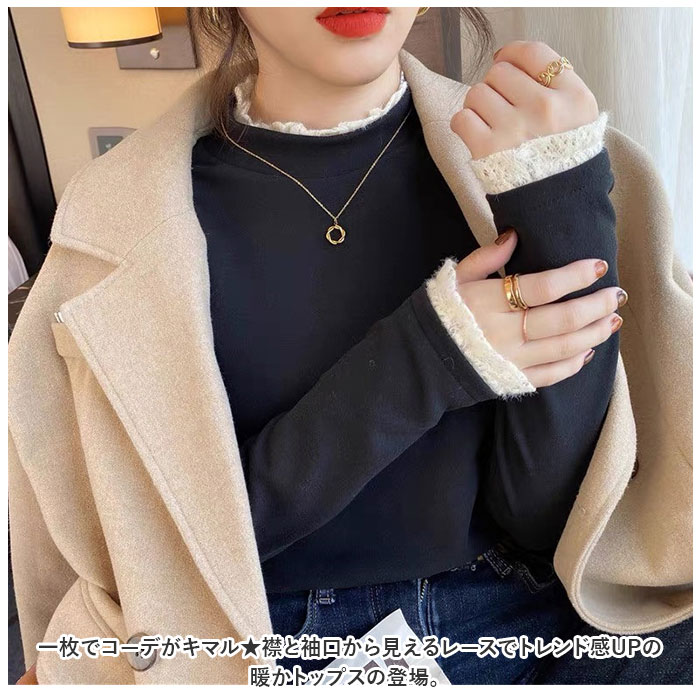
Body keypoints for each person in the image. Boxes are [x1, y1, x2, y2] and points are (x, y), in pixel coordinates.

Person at [9, 7, 691, 685]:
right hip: (246, 645)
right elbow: (161, 558)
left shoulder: (530, 160)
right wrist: (427, 358)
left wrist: (559, 203)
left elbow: (552, 523)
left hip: (523, 624)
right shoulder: (119, 224)